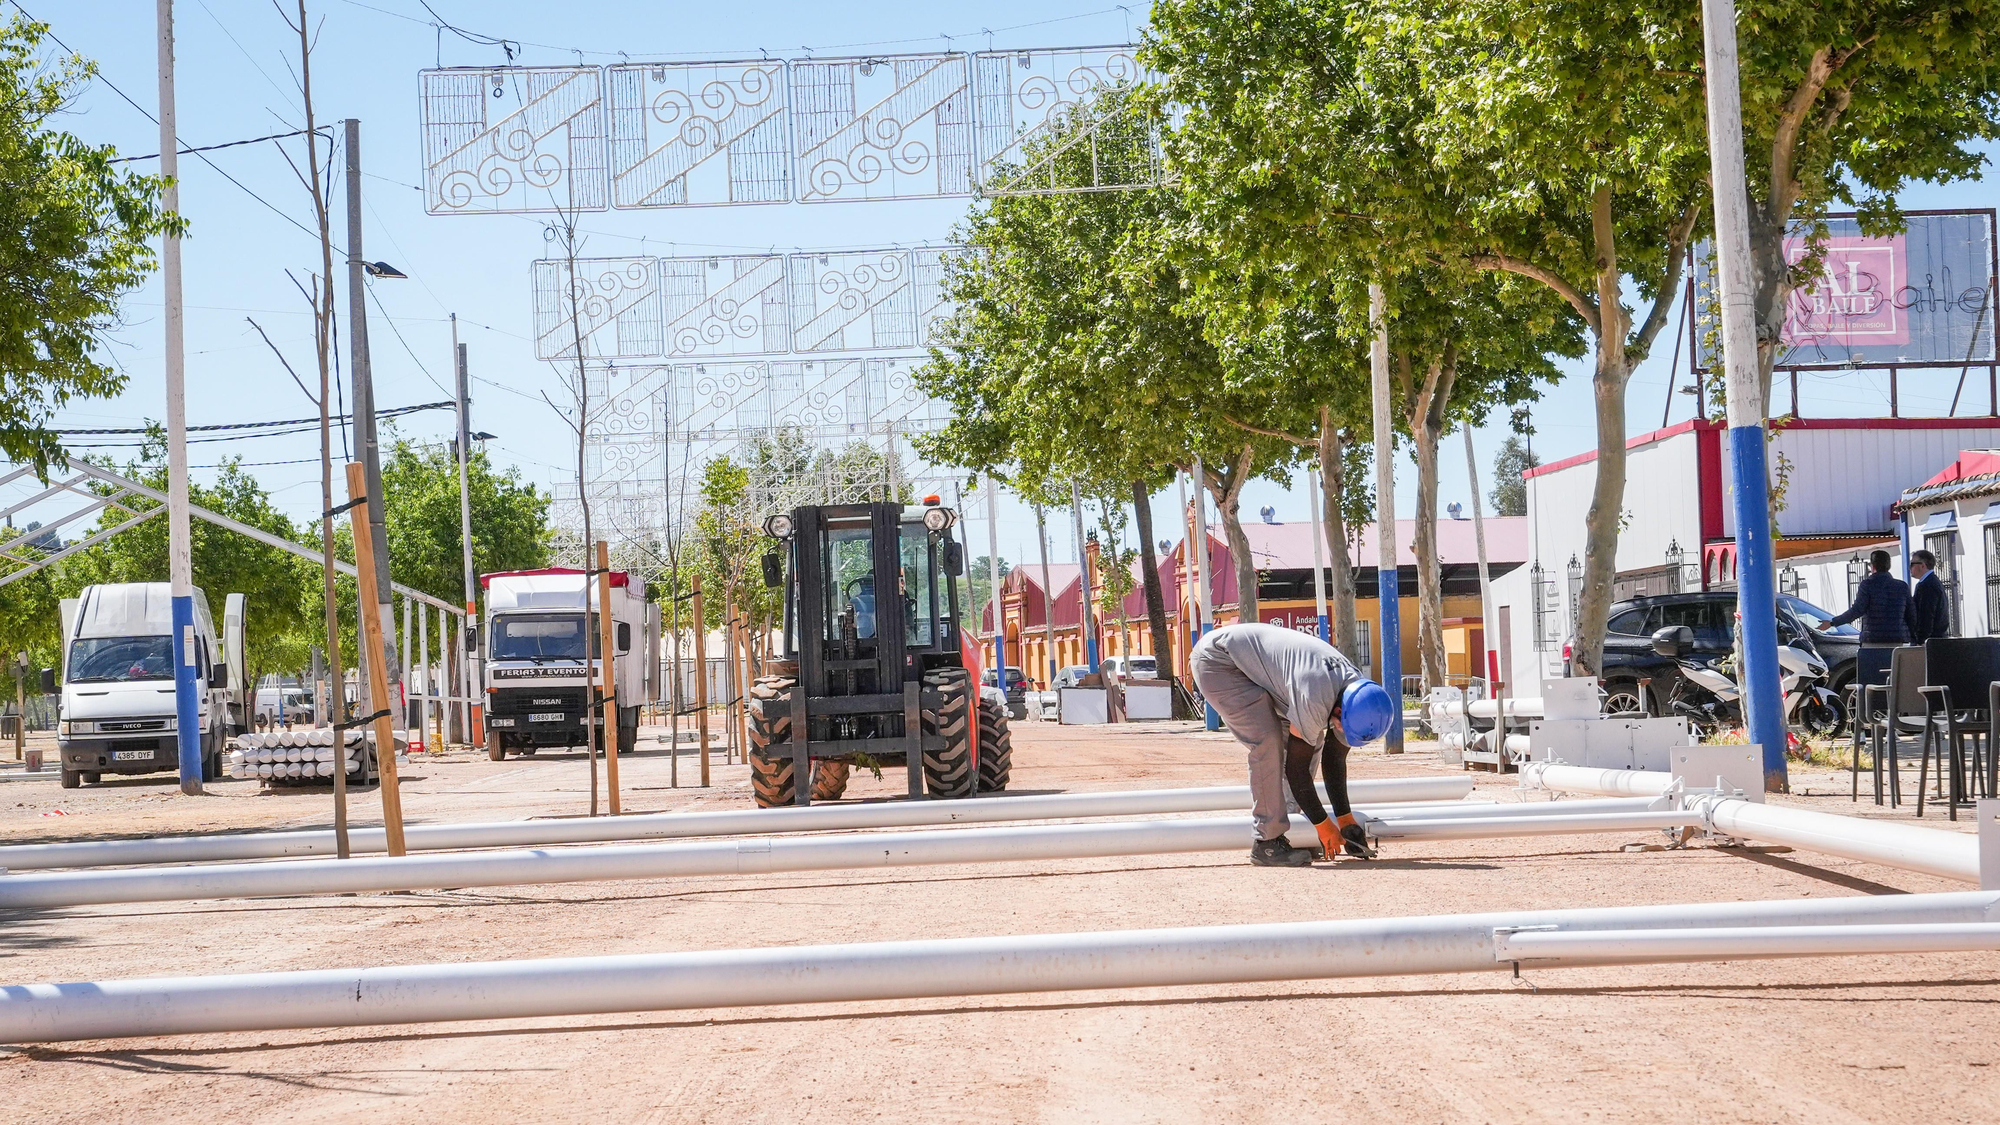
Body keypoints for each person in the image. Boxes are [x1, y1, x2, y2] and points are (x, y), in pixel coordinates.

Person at [1189, 622, 1397, 867]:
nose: (1340, 731)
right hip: (1219, 661)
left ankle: (1293, 833)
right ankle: (1267, 842)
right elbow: (1296, 771)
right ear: (1340, 710)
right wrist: (1322, 823)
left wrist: (1345, 820)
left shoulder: (1357, 695)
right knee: (1267, 741)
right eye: (1342, 726)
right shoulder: (1317, 693)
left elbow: (1334, 758)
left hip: (1251, 664)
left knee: (1312, 738)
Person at [1828, 550, 1911, 647]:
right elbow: (1911, 615)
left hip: (1872, 640)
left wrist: (1833, 622)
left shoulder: (1867, 585)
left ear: (1872, 566)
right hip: (1896, 640)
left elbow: (1857, 610)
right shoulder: (1902, 586)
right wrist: (1916, 638)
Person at [1909, 549, 1953, 644]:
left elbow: (1926, 615)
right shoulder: (1932, 582)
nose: (1910, 568)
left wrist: (1921, 640)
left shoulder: (1927, 585)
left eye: (1912, 564)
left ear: (1922, 565)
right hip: (1936, 640)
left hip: (1931, 642)